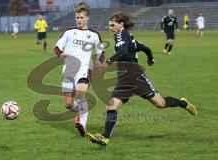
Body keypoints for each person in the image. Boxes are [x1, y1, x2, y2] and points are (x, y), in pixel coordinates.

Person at [87, 12, 197, 146]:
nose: (110, 28)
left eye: (112, 25)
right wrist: (150, 59)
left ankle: (183, 103)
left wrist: (107, 62)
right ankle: (105, 137)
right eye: (109, 25)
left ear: (121, 24)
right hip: (124, 78)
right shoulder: (126, 37)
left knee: (160, 104)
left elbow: (124, 51)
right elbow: (145, 48)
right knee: (111, 105)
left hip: (135, 76)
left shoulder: (123, 35)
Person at [54, 3, 105, 137]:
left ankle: (82, 124)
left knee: (81, 94)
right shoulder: (69, 33)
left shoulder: (94, 35)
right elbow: (57, 47)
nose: (79, 20)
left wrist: (100, 61)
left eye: (81, 17)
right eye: (77, 17)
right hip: (68, 70)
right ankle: (81, 111)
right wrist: (61, 54)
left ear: (87, 18)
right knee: (68, 104)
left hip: (84, 69)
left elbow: (101, 50)